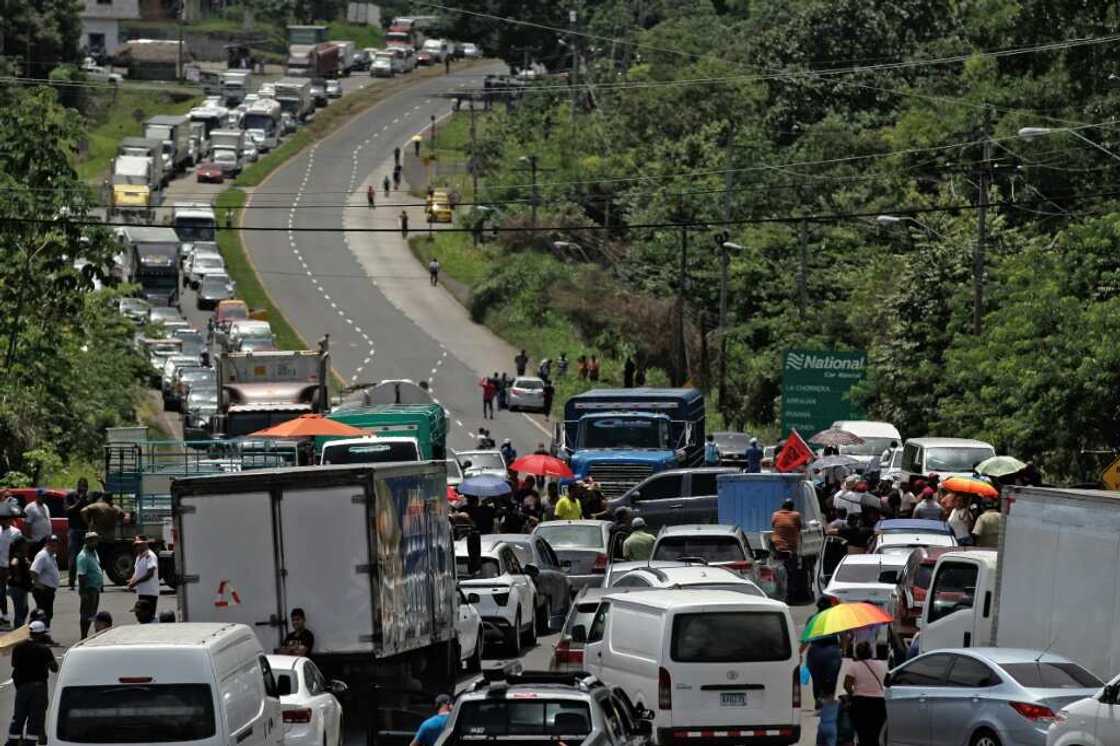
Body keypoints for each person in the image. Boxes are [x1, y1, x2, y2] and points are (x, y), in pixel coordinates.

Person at [6, 620, 57, 746]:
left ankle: (13, 740)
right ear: (41, 634)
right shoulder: (44, 649)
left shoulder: (18, 647)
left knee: (19, 715)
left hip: (22, 687)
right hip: (39, 688)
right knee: (36, 716)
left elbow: (14, 664)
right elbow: (54, 668)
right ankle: (31, 742)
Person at [841, 641, 887, 746]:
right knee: (874, 735)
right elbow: (885, 681)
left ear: (857, 653)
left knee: (862, 735)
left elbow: (846, 685)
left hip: (860, 704)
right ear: (871, 652)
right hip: (879, 704)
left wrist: (853, 693)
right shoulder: (881, 664)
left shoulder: (854, 666)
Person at [804, 596, 842, 708]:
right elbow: (843, 636)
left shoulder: (812, 619)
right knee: (832, 678)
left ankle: (818, 699)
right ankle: (829, 699)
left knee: (816, 679)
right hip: (832, 653)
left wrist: (799, 652)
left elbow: (807, 639)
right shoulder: (834, 619)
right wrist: (843, 650)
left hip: (815, 651)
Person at [770, 499, 802, 602]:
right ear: (792, 507)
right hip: (790, 549)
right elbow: (799, 528)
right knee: (793, 572)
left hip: (777, 548)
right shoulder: (796, 515)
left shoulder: (775, 515)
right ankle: (791, 594)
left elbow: (773, 525)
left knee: (776, 570)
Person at [64, 478, 91, 590]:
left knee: (86, 557)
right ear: (78, 486)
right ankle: (71, 582)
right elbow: (68, 510)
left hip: (85, 530)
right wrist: (80, 501)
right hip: (74, 530)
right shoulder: (70, 496)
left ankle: (85, 582)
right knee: (73, 557)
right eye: (82, 485)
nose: (84, 488)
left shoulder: (89, 497)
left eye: (86, 485)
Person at [76, 532, 103, 640]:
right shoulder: (83, 556)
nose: (95, 542)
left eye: (96, 540)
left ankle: (86, 635)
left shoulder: (94, 552)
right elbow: (81, 575)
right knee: (86, 614)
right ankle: (83, 636)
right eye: (92, 540)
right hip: (88, 589)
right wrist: (83, 593)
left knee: (92, 613)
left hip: (95, 588)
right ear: (87, 542)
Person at [29, 536, 59, 628]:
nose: (54, 546)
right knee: (42, 615)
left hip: (49, 590)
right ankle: (39, 634)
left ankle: (45, 633)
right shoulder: (43, 555)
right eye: (51, 544)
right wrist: (38, 584)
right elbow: (33, 571)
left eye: (55, 544)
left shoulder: (51, 555)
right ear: (46, 544)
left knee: (48, 614)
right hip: (43, 590)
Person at [0, 514, 22, 627]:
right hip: (0, 566)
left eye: (6, 519)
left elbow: (20, 550)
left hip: (11, 567)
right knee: (1, 592)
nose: (4, 521)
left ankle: (18, 619)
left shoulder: (16, 532)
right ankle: (4, 616)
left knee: (14, 594)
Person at [128, 536, 159, 612]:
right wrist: (132, 580)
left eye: (140, 544)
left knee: (149, 616)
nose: (138, 547)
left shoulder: (150, 556)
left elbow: (150, 574)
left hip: (150, 592)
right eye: (136, 545)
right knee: (142, 615)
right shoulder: (139, 557)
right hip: (142, 591)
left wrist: (135, 583)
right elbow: (137, 572)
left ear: (145, 543)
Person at [8, 537, 31, 628]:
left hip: (23, 587)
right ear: (21, 546)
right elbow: (14, 563)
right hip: (17, 588)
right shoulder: (17, 556)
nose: (27, 546)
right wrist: (17, 575)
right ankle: (18, 629)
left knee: (24, 609)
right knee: (20, 610)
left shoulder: (23, 555)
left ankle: (20, 627)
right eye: (25, 544)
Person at [23, 491, 51, 556]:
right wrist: (29, 540)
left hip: (46, 540)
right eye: (43, 496)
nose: (44, 498)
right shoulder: (30, 507)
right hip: (36, 541)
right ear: (37, 497)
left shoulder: (45, 506)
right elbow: (27, 524)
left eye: (45, 496)